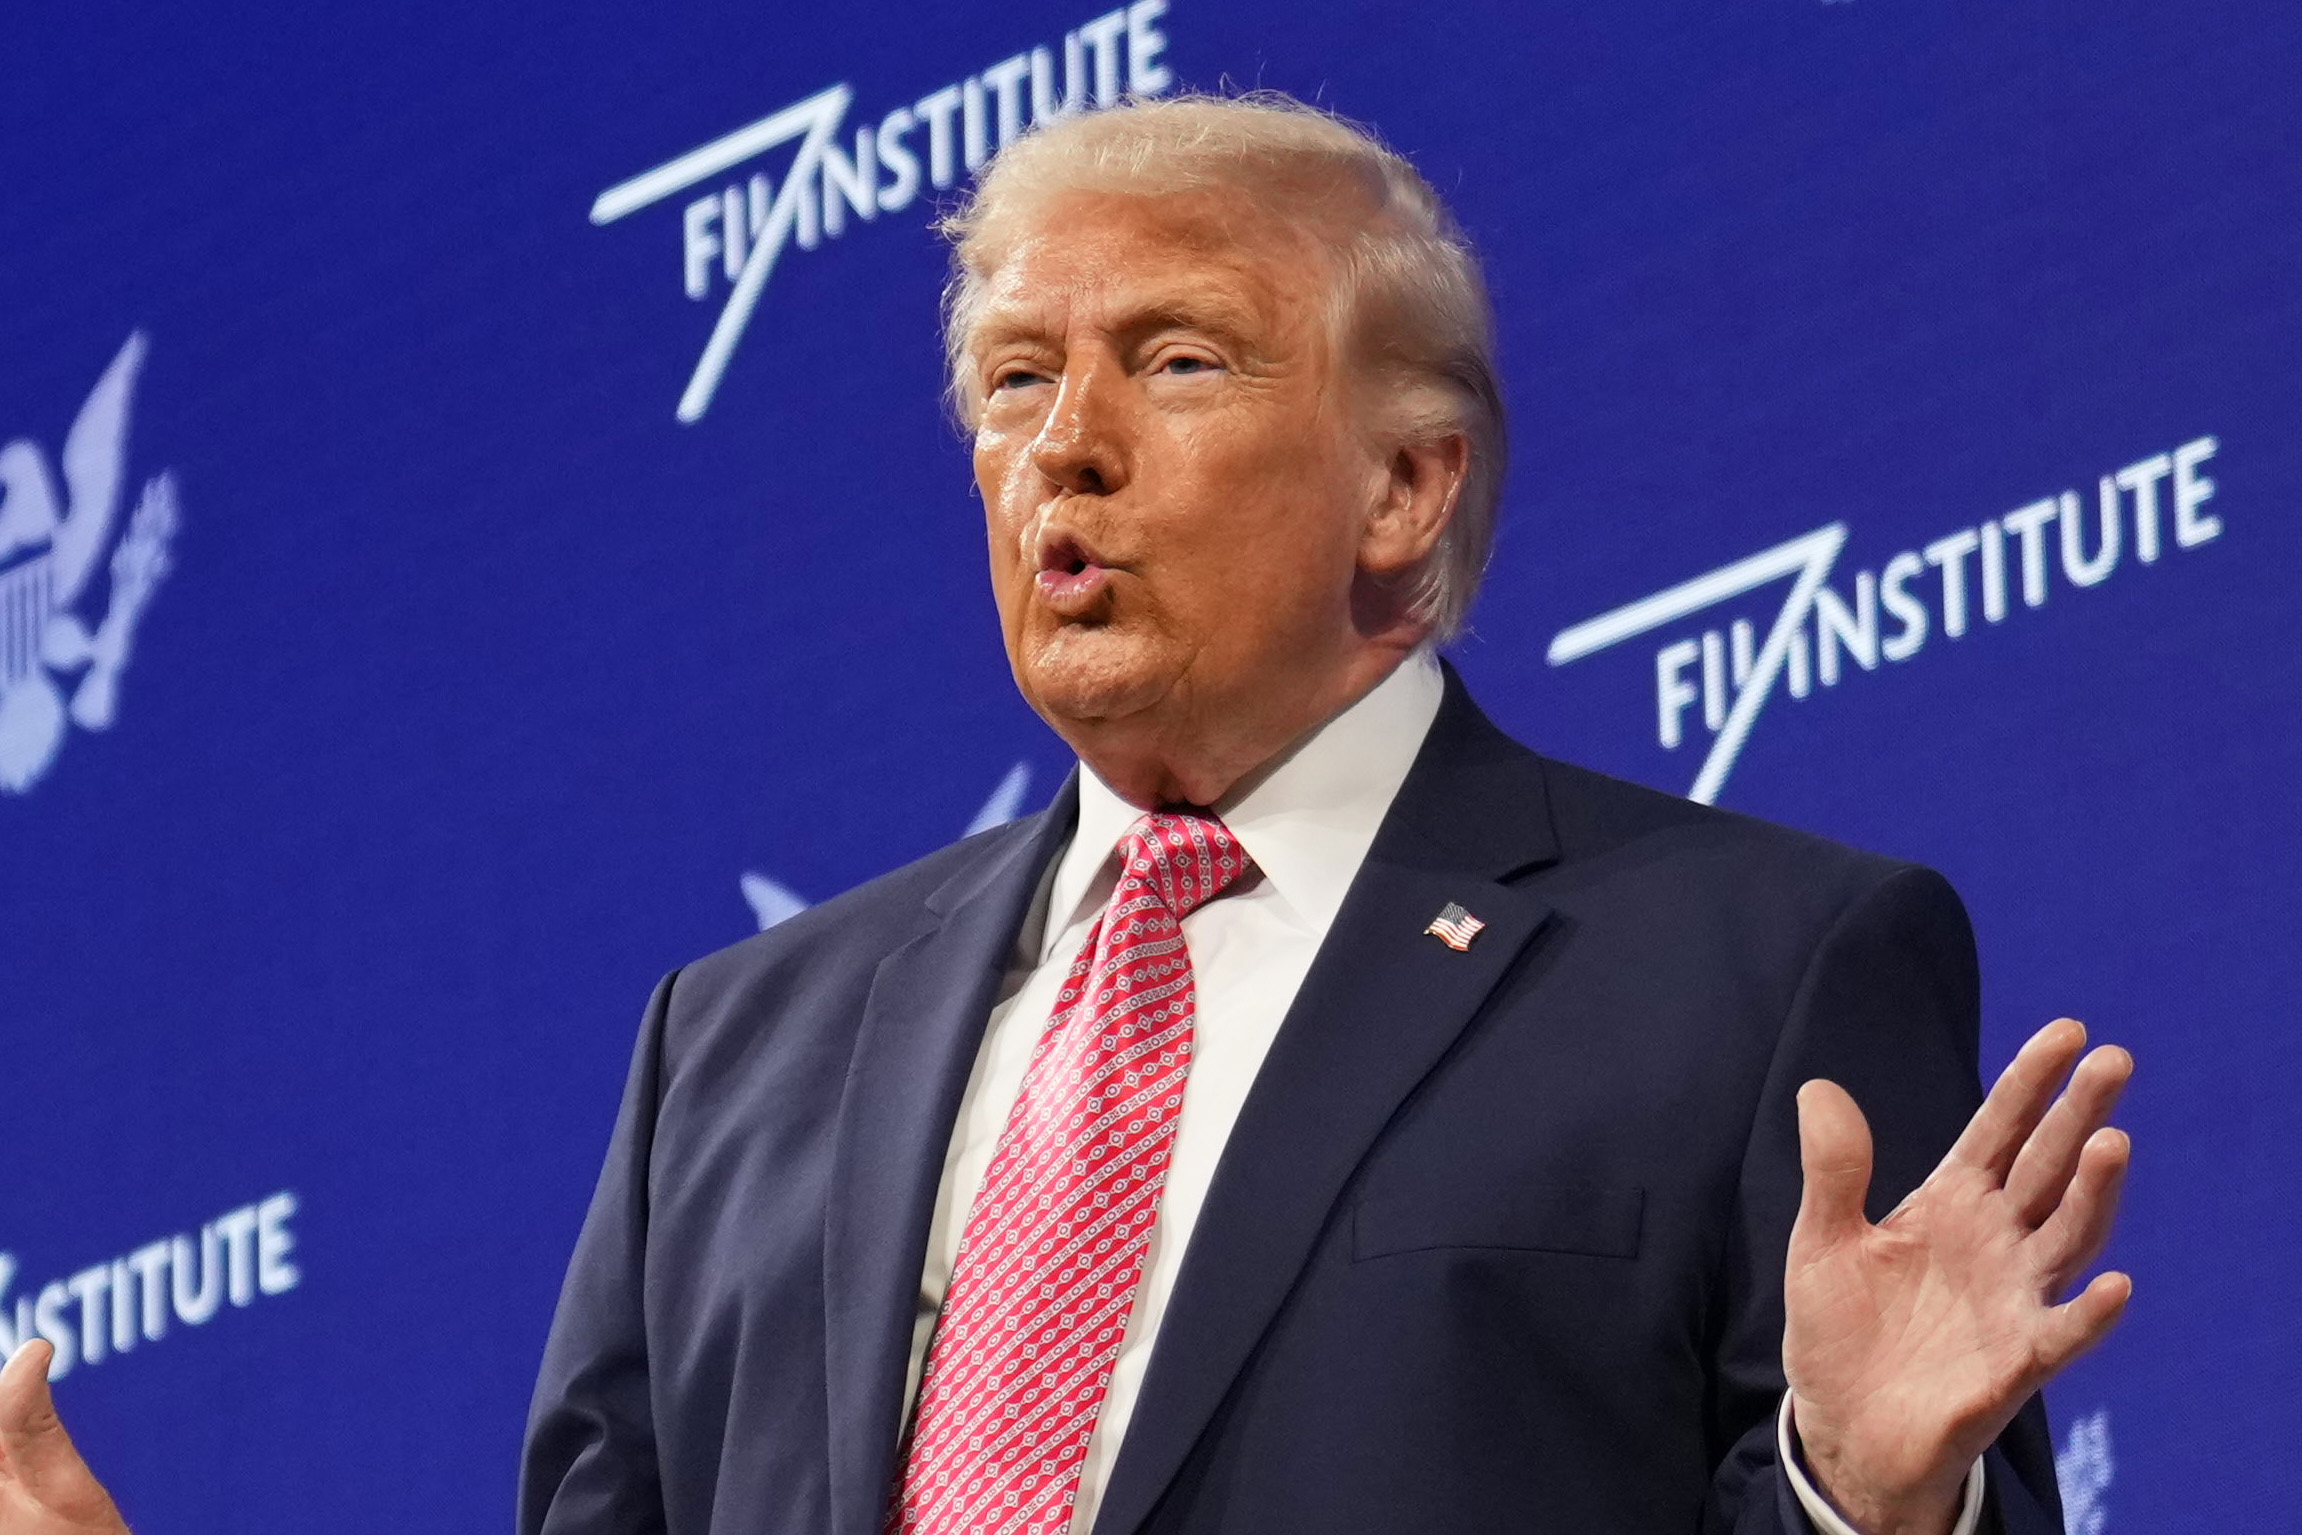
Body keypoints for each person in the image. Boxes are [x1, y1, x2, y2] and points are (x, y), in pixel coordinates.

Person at [0, 92, 2132, 1535]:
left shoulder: (1746, 967)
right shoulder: (735, 1049)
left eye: (1177, 363)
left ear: (1407, 485)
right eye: (1015, 382)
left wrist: (1860, 1503)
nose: (1064, 453)